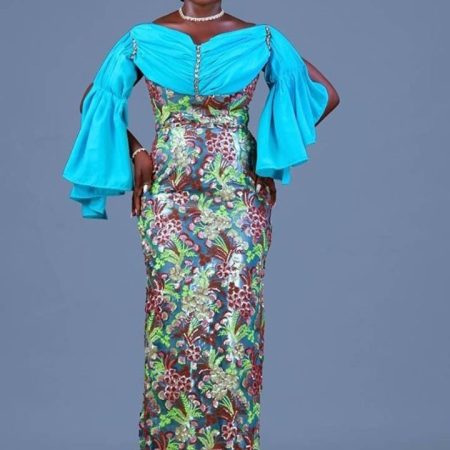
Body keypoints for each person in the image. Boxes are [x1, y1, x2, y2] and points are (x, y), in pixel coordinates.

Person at [62, 1, 340, 448]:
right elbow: (94, 100)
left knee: (235, 328)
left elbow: (323, 93)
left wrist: (270, 149)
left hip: (238, 202)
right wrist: (136, 151)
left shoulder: (260, 39)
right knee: (171, 324)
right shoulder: (143, 39)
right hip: (168, 203)